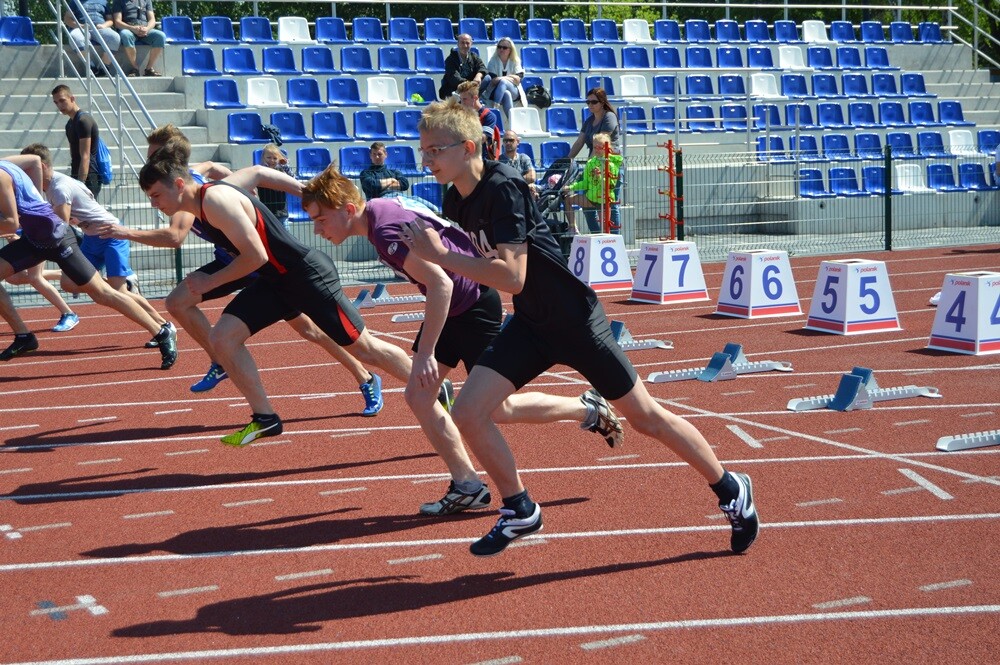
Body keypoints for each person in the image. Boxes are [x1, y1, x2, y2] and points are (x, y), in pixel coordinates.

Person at [403, 98, 759, 557]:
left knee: (646, 418)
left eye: (434, 150)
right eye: (423, 150)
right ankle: (520, 509)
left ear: (468, 147)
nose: (425, 159)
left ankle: (731, 489)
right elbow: (485, 268)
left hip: (575, 322)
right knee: (468, 410)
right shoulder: (456, 196)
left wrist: (442, 257)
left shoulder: (503, 186)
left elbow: (513, 275)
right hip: (532, 324)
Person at [303, 166, 623, 512]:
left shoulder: (385, 230)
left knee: (496, 408)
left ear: (348, 210)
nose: (318, 230)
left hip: (470, 304)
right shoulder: (380, 213)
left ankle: (586, 408)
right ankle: (467, 483)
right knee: (418, 394)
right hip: (456, 304)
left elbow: (442, 284)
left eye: (320, 220)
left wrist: (425, 352)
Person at [136, 142, 420, 446]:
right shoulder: (204, 200)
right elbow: (258, 173)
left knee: (365, 350)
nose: (155, 204)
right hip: (275, 282)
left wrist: (210, 282)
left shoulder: (216, 200)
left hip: (305, 275)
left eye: (156, 196)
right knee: (223, 338)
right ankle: (265, 419)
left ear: (179, 184)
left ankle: (432, 387)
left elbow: (255, 256)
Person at [94, 125, 382, 413]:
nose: (150, 165)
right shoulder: (193, 176)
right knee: (177, 302)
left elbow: (175, 237)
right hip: (230, 259)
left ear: (172, 163)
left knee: (310, 330)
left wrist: (307, 193)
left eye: (154, 158)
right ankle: (221, 360)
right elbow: (227, 168)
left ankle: (364, 375)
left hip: (253, 263)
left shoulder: (184, 195)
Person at [0, 156, 177, 368]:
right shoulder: (7, 162)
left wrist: (35, 205)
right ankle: (23, 336)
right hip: (33, 239)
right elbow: (34, 161)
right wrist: (37, 200)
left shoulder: (1, 175)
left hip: (55, 237)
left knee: (103, 293)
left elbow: (11, 222)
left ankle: (160, 331)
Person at [18, 143, 166, 330]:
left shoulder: (59, 188)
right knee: (68, 283)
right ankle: (110, 284)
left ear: (42, 167)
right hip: (91, 238)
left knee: (118, 292)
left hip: (111, 234)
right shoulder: (51, 187)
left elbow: (58, 226)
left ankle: (162, 324)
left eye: (26, 171)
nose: (24, 177)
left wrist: (24, 235)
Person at [566, 88, 623, 232]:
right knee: (588, 201)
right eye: (588, 102)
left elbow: (600, 144)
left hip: (610, 165)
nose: (590, 105)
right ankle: (596, 234)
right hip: (594, 165)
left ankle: (614, 235)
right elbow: (579, 142)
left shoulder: (609, 117)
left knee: (611, 202)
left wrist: (589, 165)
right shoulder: (589, 120)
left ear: (602, 102)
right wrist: (567, 161)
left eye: (594, 102)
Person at [562, 132, 622, 235]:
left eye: (600, 147)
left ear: (607, 148)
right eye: (595, 147)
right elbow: (585, 183)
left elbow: (610, 186)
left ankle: (606, 241)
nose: (597, 150)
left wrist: (601, 177)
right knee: (567, 199)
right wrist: (570, 187)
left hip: (604, 200)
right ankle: (573, 228)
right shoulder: (591, 162)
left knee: (605, 230)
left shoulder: (611, 165)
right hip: (591, 198)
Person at [51, 84, 102, 197]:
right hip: (77, 174)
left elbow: (85, 155)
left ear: (72, 98)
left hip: (88, 176)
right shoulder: (69, 124)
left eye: (62, 100)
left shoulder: (83, 121)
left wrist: (80, 184)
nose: (59, 105)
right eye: (56, 102)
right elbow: (73, 154)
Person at [63, 0, 119, 77]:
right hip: (82, 28)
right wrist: (80, 25)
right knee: (74, 36)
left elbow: (110, 20)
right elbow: (67, 19)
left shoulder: (104, 1)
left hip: (100, 28)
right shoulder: (75, 1)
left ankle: (104, 67)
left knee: (115, 37)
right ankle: (91, 67)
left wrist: (104, 26)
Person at [110, 0, 165, 76]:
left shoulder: (146, 1)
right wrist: (132, 28)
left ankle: (149, 69)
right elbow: (117, 22)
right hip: (129, 29)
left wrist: (147, 29)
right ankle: (135, 68)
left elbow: (152, 20)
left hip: (144, 29)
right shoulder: (118, 1)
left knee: (161, 36)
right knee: (125, 35)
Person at [483, 37, 526, 127]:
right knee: (506, 93)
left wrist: (503, 78)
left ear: (510, 50)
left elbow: (518, 79)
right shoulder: (493, 61)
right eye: (499, 47)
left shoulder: (515, 60)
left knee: (503, 82)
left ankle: (495, 108)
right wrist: (511, 77)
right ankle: (512, 122)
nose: (501, 49)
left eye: (505, 48)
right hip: (496, 90)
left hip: (514, 90)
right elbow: (494, 81)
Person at [457, 81, 500, 161]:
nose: (462, 103)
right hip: (464, 159)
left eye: (465, 99)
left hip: (481, 160)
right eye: (461, 99)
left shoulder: (489, 116)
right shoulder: (460, 115)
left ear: (475, 98)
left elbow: (482, 138)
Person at [439, 33, 485, 100]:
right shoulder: (450, 59)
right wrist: (470, 83)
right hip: (454, 88)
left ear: (471, 44)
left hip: (471, 87)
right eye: (462, 43)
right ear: (458, 44)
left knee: (487, 78)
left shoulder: (474, 56)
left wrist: (478, 76)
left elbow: (482, 67)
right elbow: (454, 78)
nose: (465, 45)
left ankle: (476, 97)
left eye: (467, 43)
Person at [255, 144, 293, 224]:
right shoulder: (260, 171)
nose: (271, 160)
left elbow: (292, 179)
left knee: (284, 235)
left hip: (281, 213)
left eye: (275, 158)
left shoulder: (281, 170)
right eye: (268, 158)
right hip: (266, 212)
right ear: (263, 158)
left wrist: (285, 167)